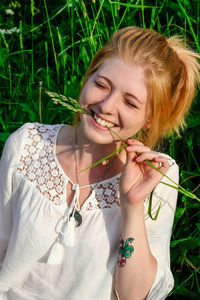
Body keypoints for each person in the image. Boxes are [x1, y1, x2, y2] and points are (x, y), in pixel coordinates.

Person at [0, 26, 199, 300]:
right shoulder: (27, 144)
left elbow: (133, 295)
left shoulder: (158, 175)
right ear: (87, 77)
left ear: (150, 117)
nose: (106, 105)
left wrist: (132, 204)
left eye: (130, 102)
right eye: (102, 85)